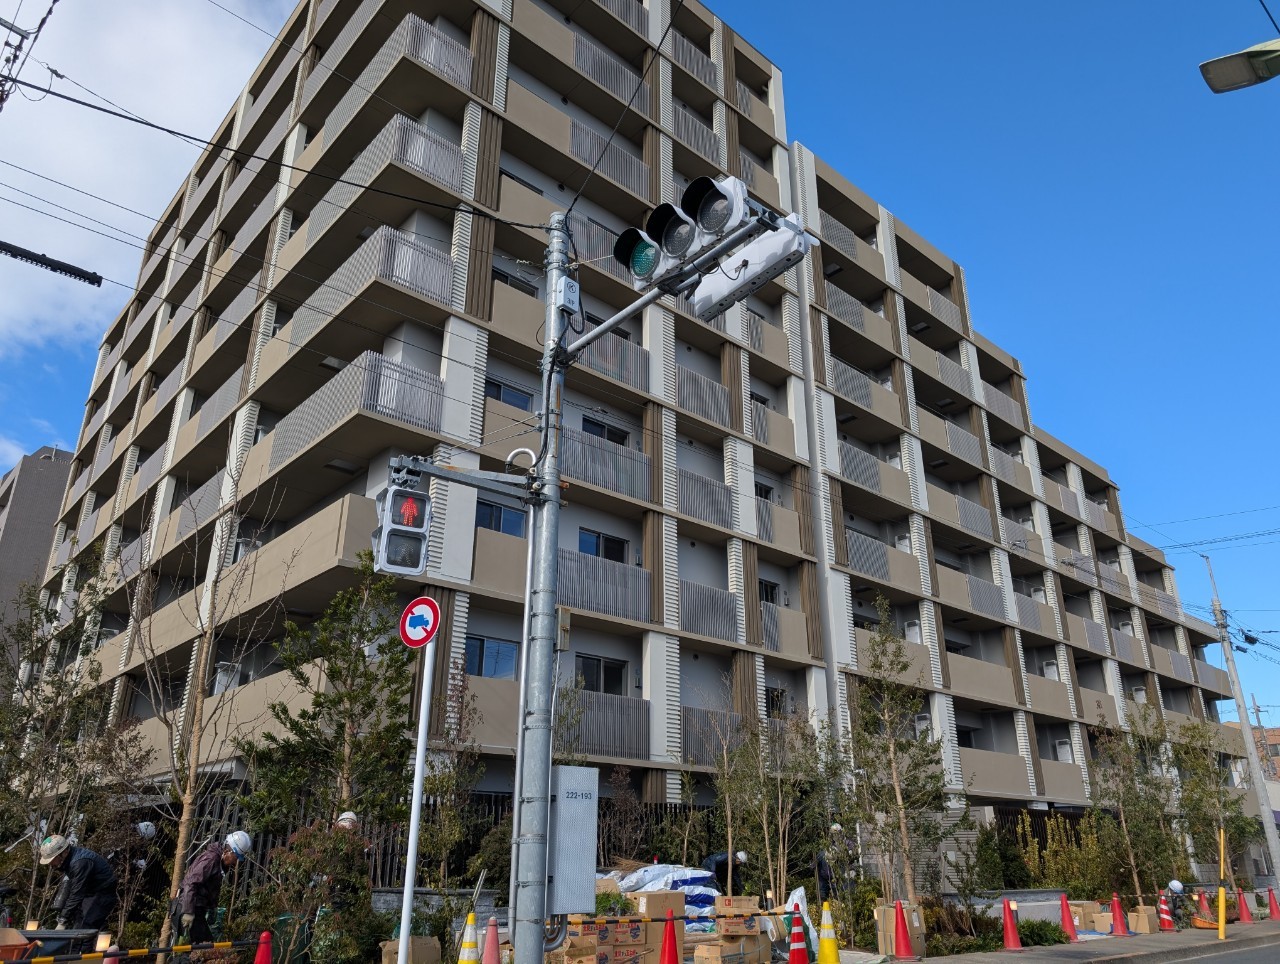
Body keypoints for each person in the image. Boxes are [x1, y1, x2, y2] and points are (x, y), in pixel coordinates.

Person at [178, 830, 252, 943]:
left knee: (201, 948)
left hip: (197, 908)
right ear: (228, 851)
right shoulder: (210, 860)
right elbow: (191, 883)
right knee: (204, 947)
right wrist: (188, 911)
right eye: (236, 857)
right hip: (189, 907)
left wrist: (213, 908)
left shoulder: (219, 863)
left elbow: (212, 888)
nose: (236, 861)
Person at [39, 834, 117, 932]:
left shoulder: (80, 863)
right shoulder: (69, 862)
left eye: (52, 860)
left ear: (63, 853)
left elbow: (77, 893)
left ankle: (84, 947)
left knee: (86, 928)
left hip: (102, 893)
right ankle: (76, 947)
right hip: (90, 893)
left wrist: (63, 919)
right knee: (78, 926)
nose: (51, 864)